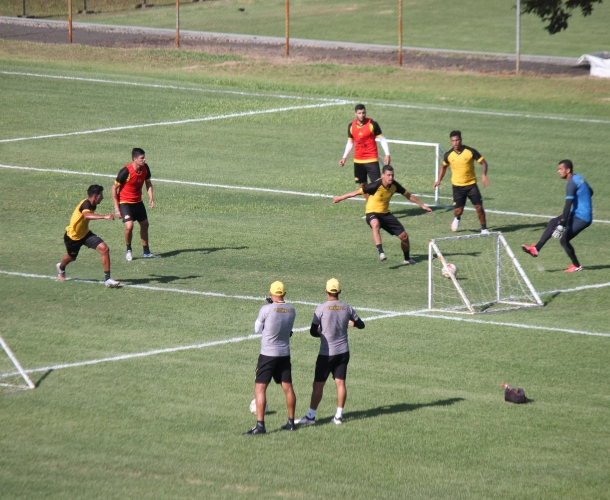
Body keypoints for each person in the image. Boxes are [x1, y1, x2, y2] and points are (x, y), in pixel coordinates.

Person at [297, 278, 365, 426]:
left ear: (326, 291)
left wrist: (322, 332)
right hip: (343, 352)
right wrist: (350, 323)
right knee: (340, 384)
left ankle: (311, 416)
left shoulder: (321, 309)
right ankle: (338, 417)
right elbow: (361, 324)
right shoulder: (347, 308)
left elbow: (313, 332)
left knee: (318, 385)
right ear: (339, 292)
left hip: (326, 353)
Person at [333, 165, 432, 264]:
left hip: (386, 214)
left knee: (404, 236)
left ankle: (407, 259)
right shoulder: (375, 185)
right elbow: (355, 193)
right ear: (383, 175)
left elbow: (407, 195)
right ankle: (381, 252)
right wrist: (340, 198)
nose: (391, 178)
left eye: (392, 175)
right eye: (388, 175)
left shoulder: (394, 185)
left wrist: (422, 206)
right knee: (375, 224)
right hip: (372, 212)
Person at [244, 281, 297, 435]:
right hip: (284, 354)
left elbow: (257, 329)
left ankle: (260, 426)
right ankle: (291, 423)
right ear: (284, 293)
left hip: (268, 354)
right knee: (288, 388)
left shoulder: (266, 309)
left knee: (260, 388)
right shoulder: (291, 310)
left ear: (270, 292)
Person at [522, 159, 593, 272]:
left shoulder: (571, 184)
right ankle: (536, 249)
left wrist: (562, 224)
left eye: (561, 169)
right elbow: (591, 191)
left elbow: (567, 205)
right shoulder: (579, 177)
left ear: (568, 170)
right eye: (558, 169)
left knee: (563, 240)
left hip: (583, 218)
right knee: (552, 222)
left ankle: (576, 265)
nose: (558, 171)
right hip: (577, 213)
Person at [56, 185, 120, 288]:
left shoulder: (93, 204)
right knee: (71, 257)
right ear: (95, 196)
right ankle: (61, 267)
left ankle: (108, 279)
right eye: (101, 195)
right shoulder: (86, 204)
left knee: (104, 249)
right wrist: (104, 216)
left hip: (85, 234)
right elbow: (86, 215)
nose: (102, 197)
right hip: (73, 237)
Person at [433, 130, 490, 235]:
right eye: (453, 141)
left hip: (471, 185)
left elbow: (483, 162)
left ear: (461, 140)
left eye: (457, 140)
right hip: (457, 187)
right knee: (458, 211)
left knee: (479, 207)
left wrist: (483, 175)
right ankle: (457, 218)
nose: (456, 143)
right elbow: (444, 167)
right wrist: (439, 180)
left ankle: (484, 229)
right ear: (451, 141)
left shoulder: (470, 151)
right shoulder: (448, 155)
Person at [111, 147, 158, 261]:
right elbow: (114, 188)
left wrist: (151, 197)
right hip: (125, 203)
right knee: (129, 226)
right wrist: (117, 208)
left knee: (145, 224)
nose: (144, 160)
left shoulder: (145, 168)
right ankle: (128, 250)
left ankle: (146, 252)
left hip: (138, 202)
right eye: (142, 158)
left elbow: (148, 182)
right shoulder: (126, 171)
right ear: (135, 159)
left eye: (144, 157)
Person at [339, 104, 391, 196]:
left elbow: (382, 139)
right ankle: (369, 205)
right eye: (359, 113)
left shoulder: (372, 124)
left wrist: (387, 154)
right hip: (358, 160)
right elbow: (350, 142)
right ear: (355, 114)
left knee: (377, 185)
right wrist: (344, 157)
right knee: (362, 185)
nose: (362, 115)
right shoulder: (351, 126)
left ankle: (379, 205)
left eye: (363, 113)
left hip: (371, 159)